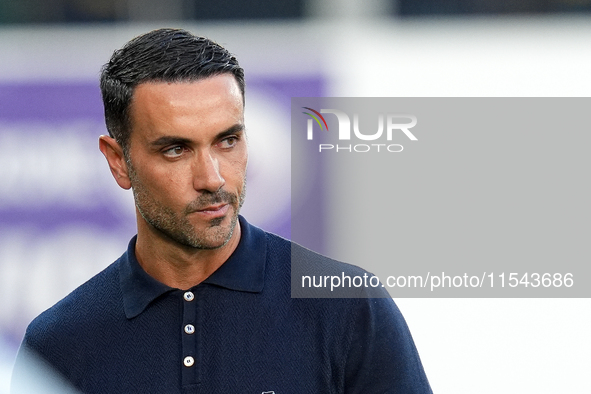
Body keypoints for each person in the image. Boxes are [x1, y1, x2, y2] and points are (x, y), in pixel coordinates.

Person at [11, 28, 432, 393]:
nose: (212, 178)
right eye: (176, 149)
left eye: (227, 140)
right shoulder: (58, 345)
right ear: (118, 161)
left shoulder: (348, 306)